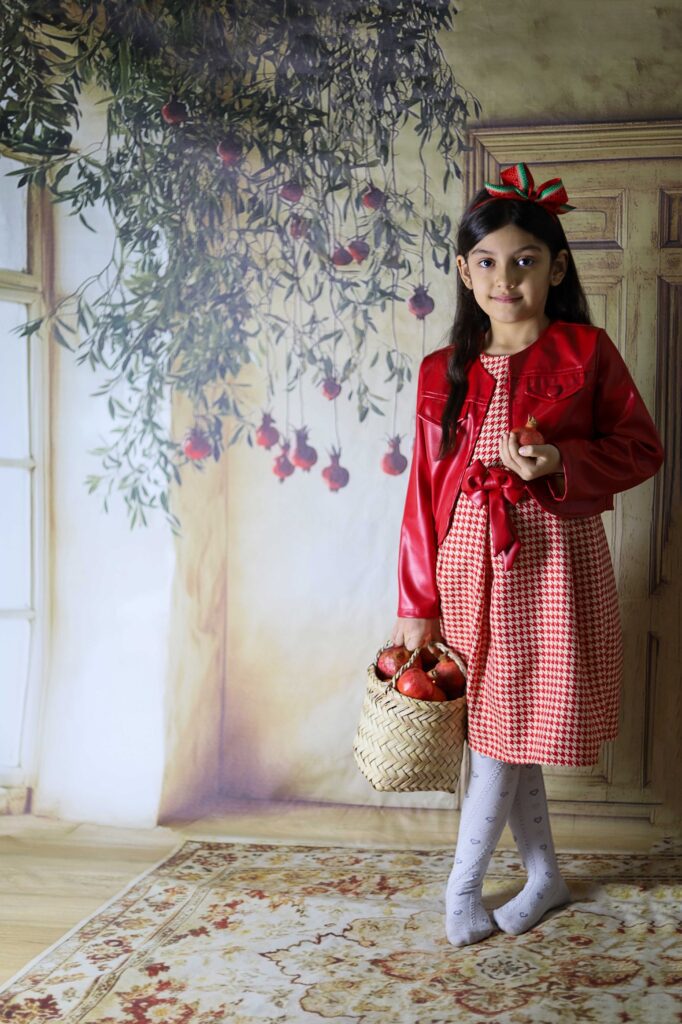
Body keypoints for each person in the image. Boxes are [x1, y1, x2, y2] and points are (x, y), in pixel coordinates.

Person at [391, 163, 665, 947]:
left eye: (524, 261)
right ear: (463, 270)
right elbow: (422, 493)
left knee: (506, 731)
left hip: (550, 564)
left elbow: (641, 448)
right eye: (486, 262)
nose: (504, 278)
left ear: (557, 268)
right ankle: (544, 877)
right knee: (501, 729)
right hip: (465, 567)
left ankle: (462, 887)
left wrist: (561, 462)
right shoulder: (440, 371)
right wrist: (416, 603)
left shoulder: (588, 350)